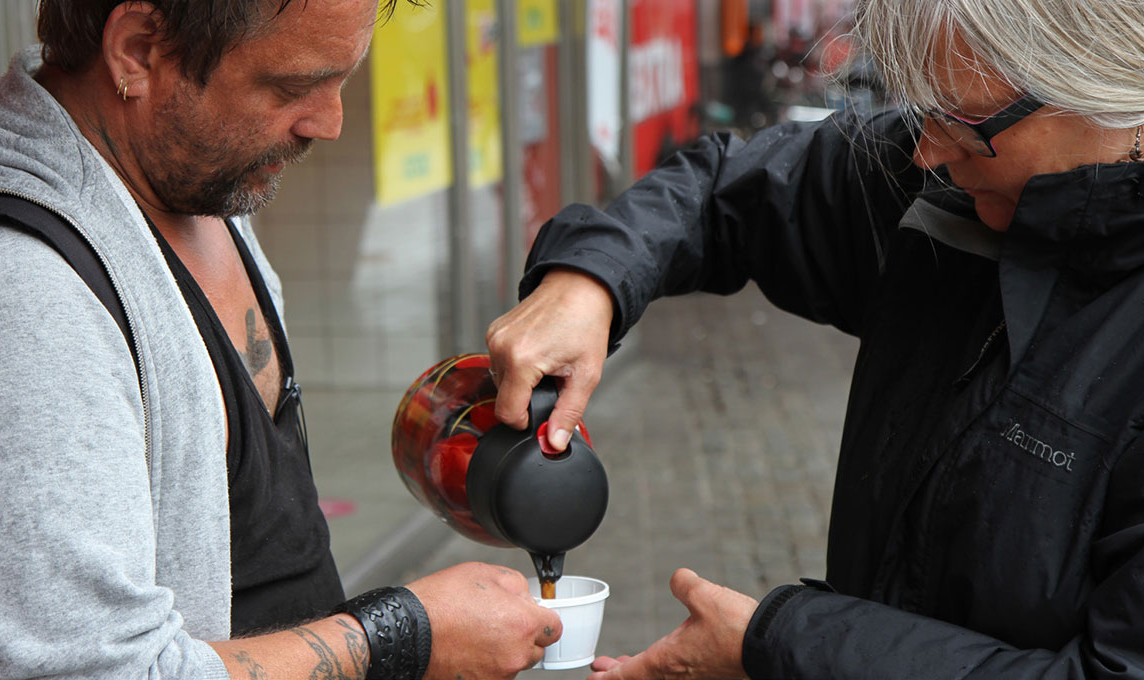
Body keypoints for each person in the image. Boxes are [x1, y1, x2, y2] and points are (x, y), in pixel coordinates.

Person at [486, 0, 1144, 677]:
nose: (928, 150)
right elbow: (727, 189)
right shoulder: (940, 187)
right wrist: (589, 279)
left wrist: (778, 643)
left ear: (1104, 86)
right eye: (923, 110)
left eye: (963, 121)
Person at [0, 1, 560, 678]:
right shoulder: (21, 288)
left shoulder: (181, 175)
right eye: (292, 87)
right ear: (138, 51)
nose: (328, 123)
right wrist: (403, 637)